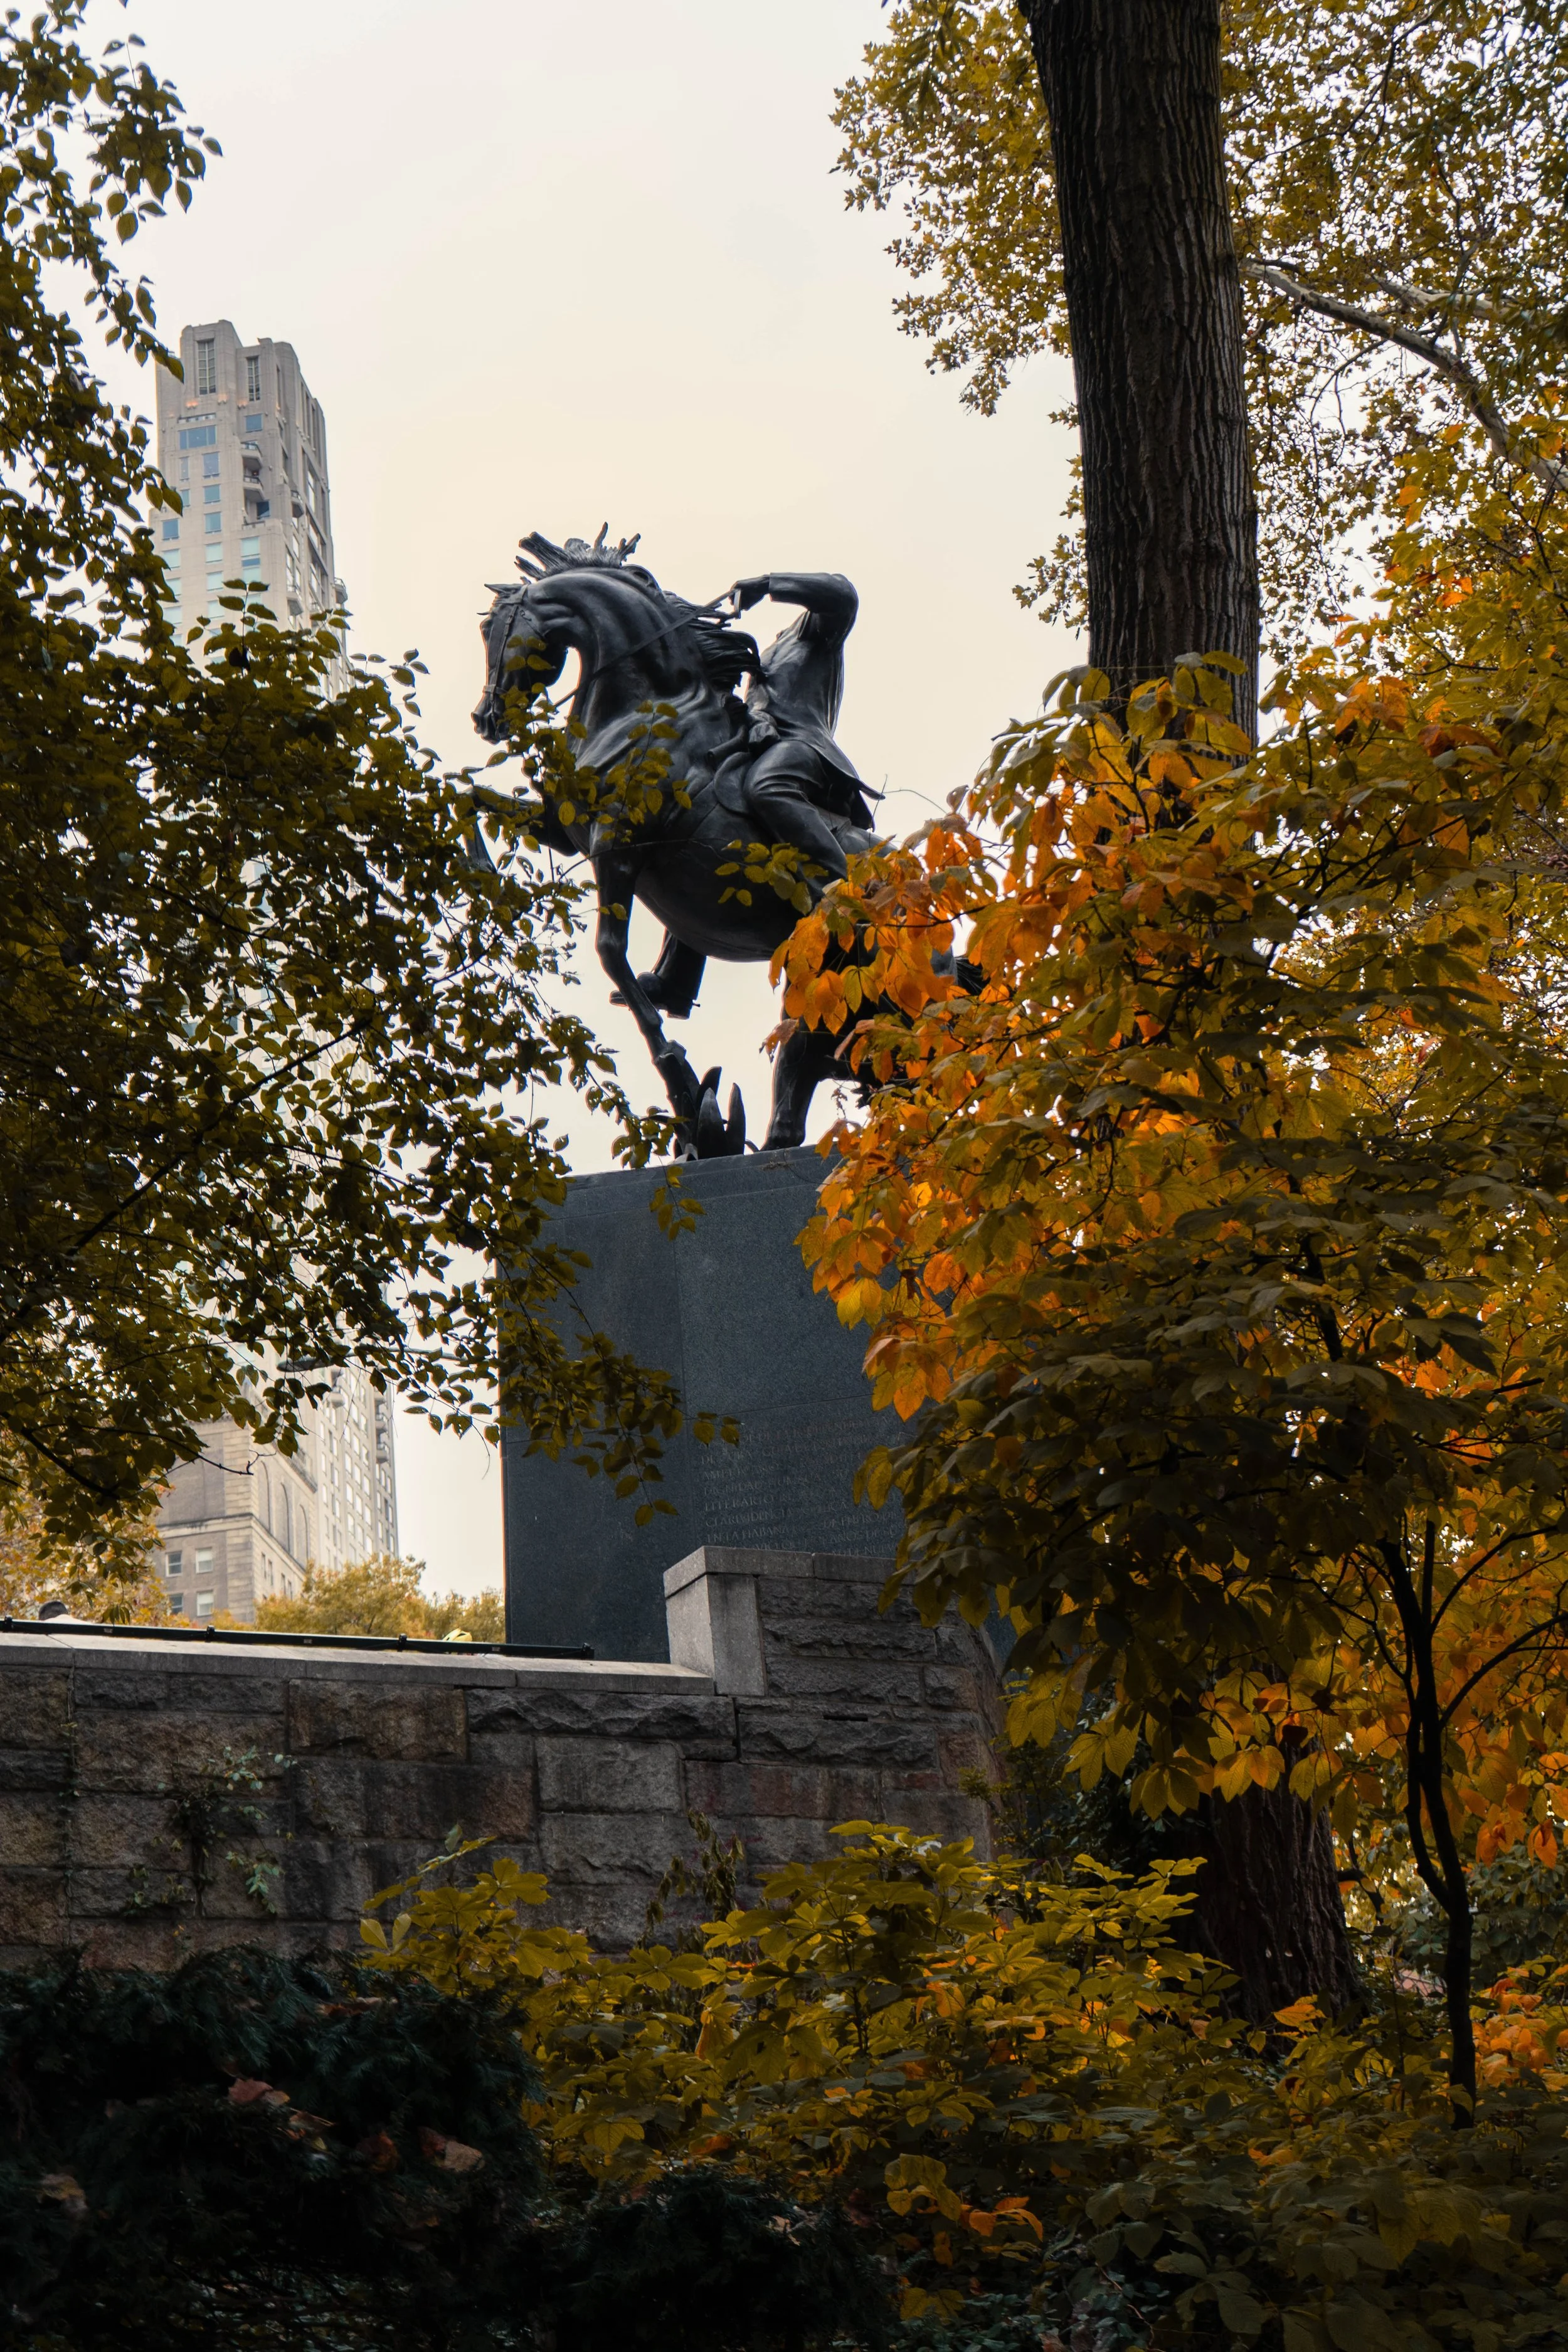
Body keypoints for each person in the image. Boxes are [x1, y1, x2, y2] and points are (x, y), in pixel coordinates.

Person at [632, 569, 874, 1019]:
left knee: (768, 787)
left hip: (804, 749)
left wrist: (768, 584)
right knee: (696, 808)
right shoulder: (772, 650)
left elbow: (843, 595)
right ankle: (678, 978)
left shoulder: (818, 631)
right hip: (761, 743)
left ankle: (842, 889)